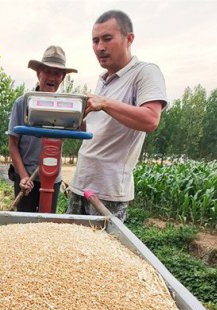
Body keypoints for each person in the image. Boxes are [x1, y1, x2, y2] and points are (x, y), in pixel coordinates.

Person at [67, 10, 167, 221]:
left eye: (107, 39)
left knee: (99, 253)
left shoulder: (144, 72)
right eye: (95, 41)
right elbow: (95, 131)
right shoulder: (102, 81)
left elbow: (150, 119)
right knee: (69, 250)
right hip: (80, 183)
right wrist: (72, 120)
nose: (100, 47)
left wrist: (104, 102)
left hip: (108, 192)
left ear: (129, 39)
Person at [8, 46, 77, 212]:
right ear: (38, 73)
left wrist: (85, 111)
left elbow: (80, 128)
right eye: (47, 71)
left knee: (47, 224)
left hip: (52, 177)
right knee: (24, 225)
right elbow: (12, 144)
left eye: (58, 73)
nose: (52, 77)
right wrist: (23, 176)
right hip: (27, 176)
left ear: (63, 78)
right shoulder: (22, 103)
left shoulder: (67, 106)